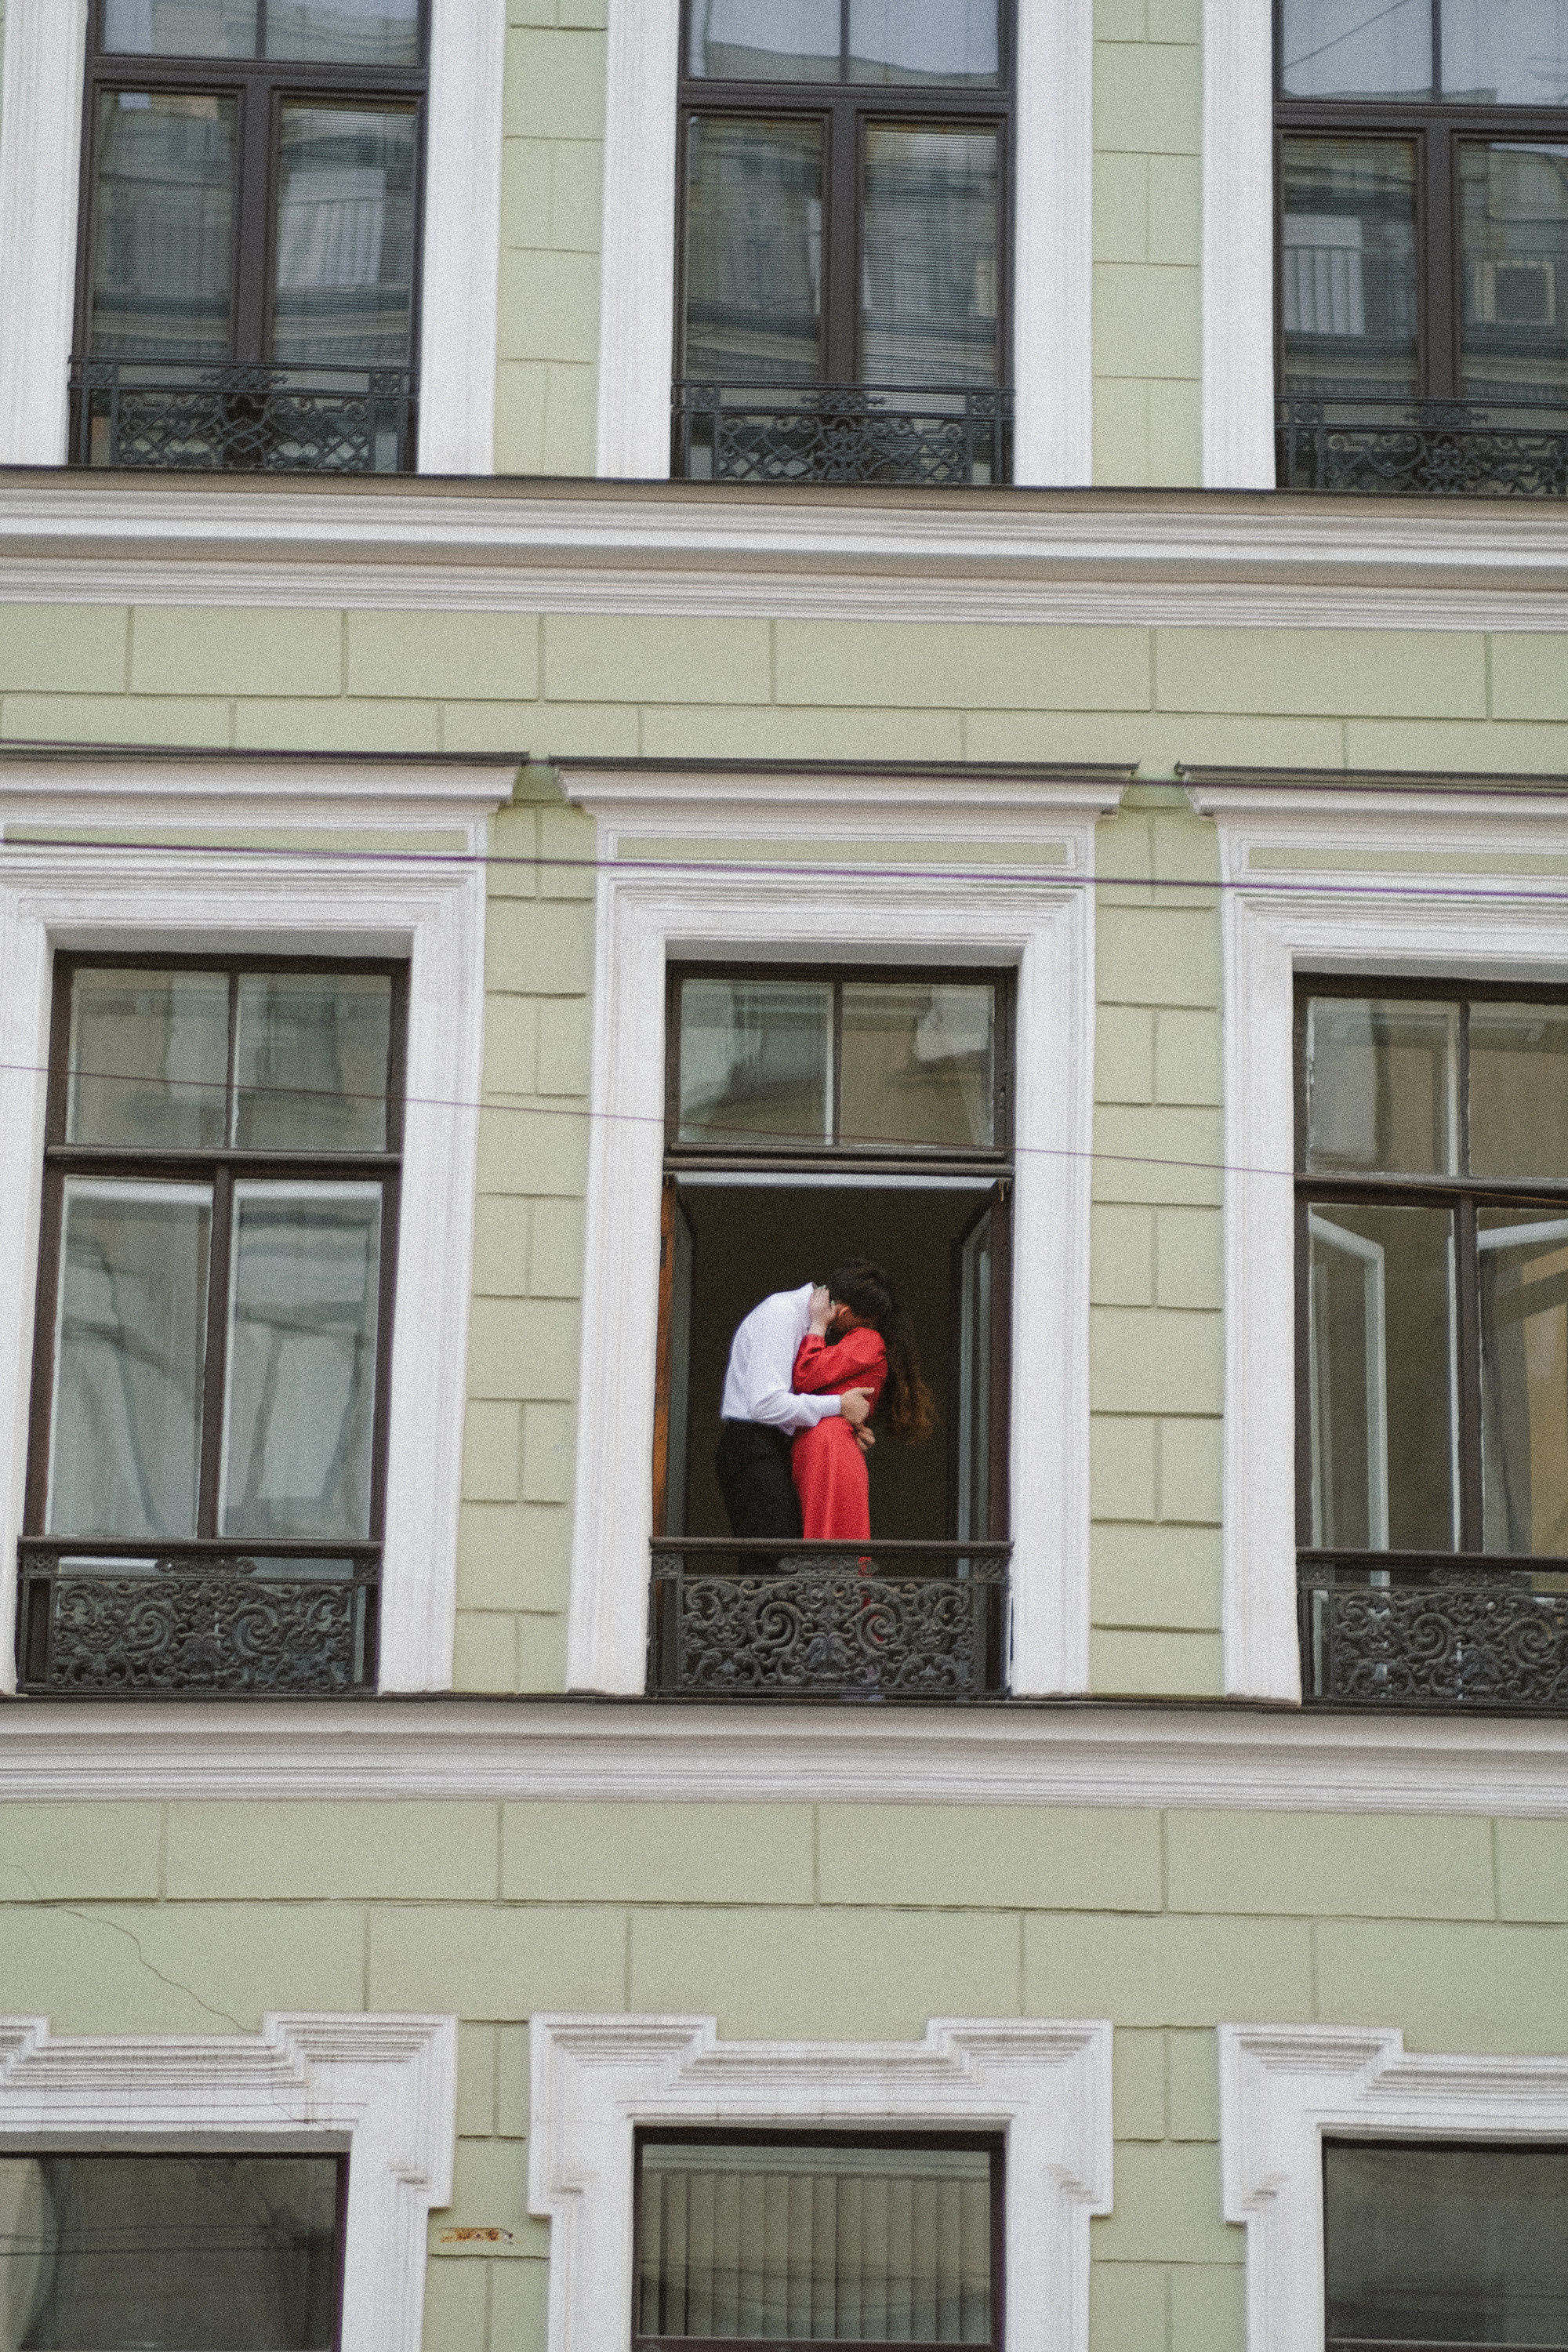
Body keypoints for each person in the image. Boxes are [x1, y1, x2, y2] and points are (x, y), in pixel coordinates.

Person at [714, 1283, 876, 1541]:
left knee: (787, 1554)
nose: (856, 1333)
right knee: (775, 1559)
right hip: (754, 1445)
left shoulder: (807, 1321)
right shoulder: (783, 1313)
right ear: (844, 1312)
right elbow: (765, 1404)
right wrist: (838, 1404)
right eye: (860, 1324)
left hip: (775, 1445)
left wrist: (847, 1425)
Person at [790, 1260, 935, 1541]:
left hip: (828, 1443)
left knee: (828, 1537)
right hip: (825, 1442)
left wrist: (818, 1324)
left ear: (843, 1310)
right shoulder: (861, 1341)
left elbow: (806, 1375)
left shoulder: (867, 1340)